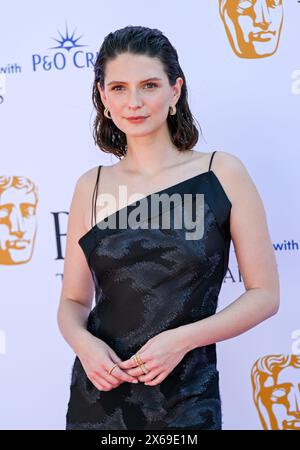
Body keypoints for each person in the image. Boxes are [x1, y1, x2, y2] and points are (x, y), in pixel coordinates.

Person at [57, 25, 280, 430]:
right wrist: (85, 346)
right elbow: (73, 301)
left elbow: (264, 295)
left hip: (187, 399)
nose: (135, 102)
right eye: (120, 88)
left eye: (149, 85)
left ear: (175, 91)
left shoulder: (221, 172)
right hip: (100, 400)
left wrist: (181, 339)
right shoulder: (90, 185)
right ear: (104, 98)